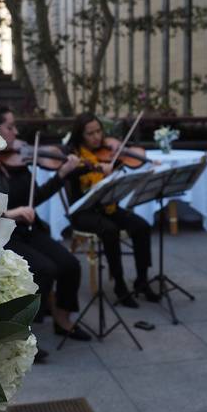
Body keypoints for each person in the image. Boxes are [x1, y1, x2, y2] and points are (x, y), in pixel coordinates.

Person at [0, 102, 92, 345]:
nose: (16, 133)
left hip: (24, 229)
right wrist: (12, 213)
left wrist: (62, 175)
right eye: (10, 127)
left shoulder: (14, 164)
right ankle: (21, 335)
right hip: (2, 234)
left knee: (70, 264)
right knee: (45, 270)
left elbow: (35, 198)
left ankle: (62, 319)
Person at [66, 113, 160, 308]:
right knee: (110, 230)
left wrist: (118, 148)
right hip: (83, 212)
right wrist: (95, 167)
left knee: (142, 226)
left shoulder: (108, 151)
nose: (96, 137)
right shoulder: (73, 155)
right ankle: (119, 284)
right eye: (90, 133)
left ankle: (142, 280)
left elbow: (127, 159)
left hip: (108, 206)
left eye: (99, 131)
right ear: (80, 135)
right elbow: (71, 172)